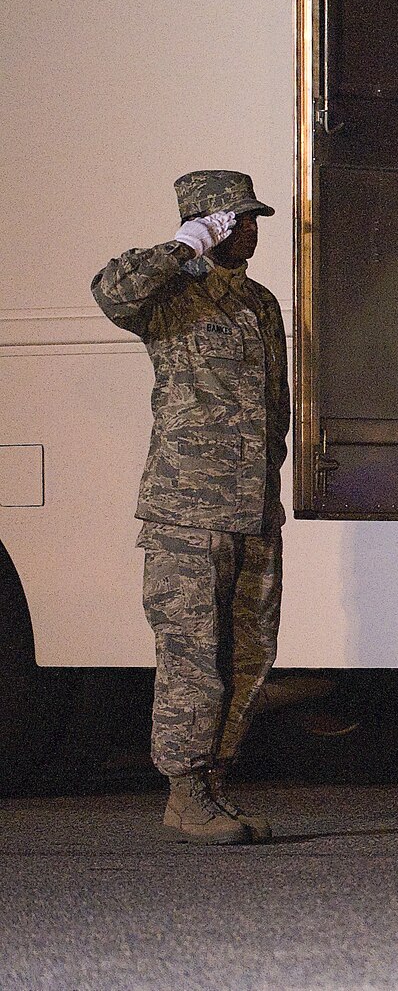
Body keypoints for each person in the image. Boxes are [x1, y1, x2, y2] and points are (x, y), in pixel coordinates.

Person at [92, 171, 288, 845]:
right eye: (238, 220)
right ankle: (184, 791)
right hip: (188, 513)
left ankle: (213, 786)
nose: (252, 230)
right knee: (191, 656)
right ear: (207, 224)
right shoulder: (168, 299)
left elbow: (277, 411)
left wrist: (271, 491)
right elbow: (111, 292)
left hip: (254, 511)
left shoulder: (260, 303)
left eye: (255, 219)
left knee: (249, 657)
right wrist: (182, 247)